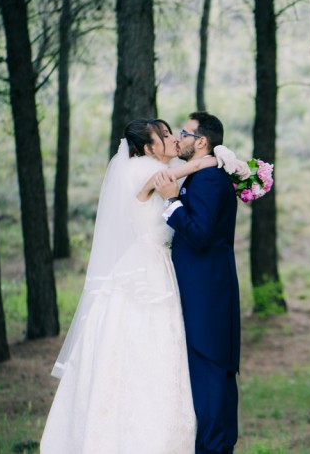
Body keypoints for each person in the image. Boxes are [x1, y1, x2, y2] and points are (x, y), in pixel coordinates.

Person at [40, 118, 245, 454]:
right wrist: (212, 159)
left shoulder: (183, 170)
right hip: (147, 272)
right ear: (148, 148)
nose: (173, 138)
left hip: (165, 271)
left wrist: (214, 160)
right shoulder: (143, 170)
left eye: (176, 133)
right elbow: (164, 183)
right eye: (165, 135)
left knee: (169, 353)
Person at [155, 111, 241, 454]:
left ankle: (214, 448)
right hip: (204, 290)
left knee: (209, 373)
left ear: (201, 141)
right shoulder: (202, 174)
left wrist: (173, 201)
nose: (180, 137)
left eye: (184, 132)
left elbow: (201, 235)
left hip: (206, 294)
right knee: (208, 375)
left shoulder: (207, 179)